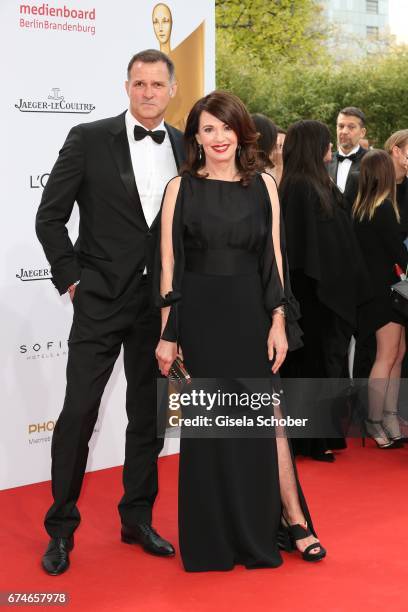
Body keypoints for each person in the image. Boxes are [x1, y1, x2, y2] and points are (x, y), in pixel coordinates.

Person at [155, 91, 326, 572]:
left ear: (240, 132)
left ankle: (257, 535)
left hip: (251, 314)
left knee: (255, 423)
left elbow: (274, 261)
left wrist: (277, 321)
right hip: (201, 315)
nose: (218, 138)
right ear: (196, 138)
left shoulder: (264, 186)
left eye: (225, 127)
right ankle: (212, 540)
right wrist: (169, 333)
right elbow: (170, 266)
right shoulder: (180, 188)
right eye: (207, 129)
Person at [35, 49, 185, 575]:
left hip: (159, 307)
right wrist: (72, 279)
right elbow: (49, 217)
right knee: (79, 412)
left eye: (156, 84)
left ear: (172, 90)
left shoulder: (186, 147)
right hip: (99, 299)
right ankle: (59, 529)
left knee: (147, 416)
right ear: (126, 87)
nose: (147, 93)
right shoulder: (88, 137)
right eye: (138, 84)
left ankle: (137, 518)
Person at [279, 120, 369, 462]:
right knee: (313, 369)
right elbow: (305, 251)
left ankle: (321, 437)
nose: (331, 149)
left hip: (326, 295)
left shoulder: (315, 184)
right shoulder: (301, 187)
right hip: (313, 297)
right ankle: (311, 440)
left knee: (324, 368)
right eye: (327, 143)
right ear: (315, 148)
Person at [352, 150, 408, 448]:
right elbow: (398, 255)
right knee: (387, 356)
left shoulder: (362, 207)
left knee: (395, 354)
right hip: (384, 293)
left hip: (381, 292)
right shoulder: (383, 208)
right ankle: (375, 420)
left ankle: (388, 416)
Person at [327, 106, 368, 194]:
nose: (344, 131)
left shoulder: (372, 161)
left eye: (351, 127)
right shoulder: (325, 161)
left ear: (362, 132)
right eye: (341, 126)